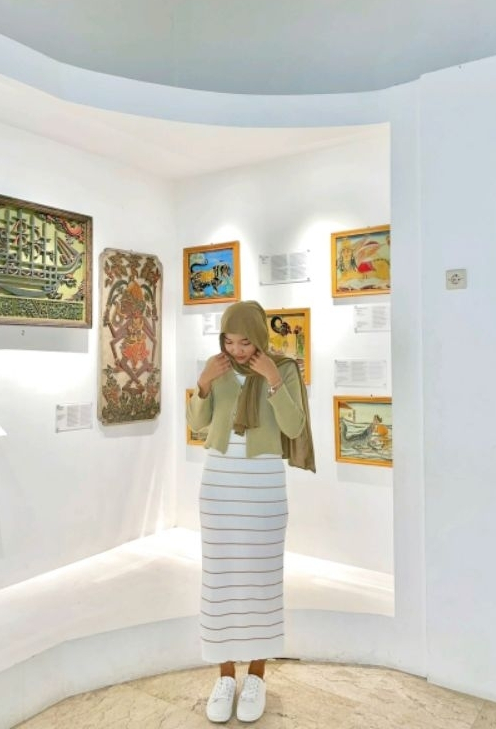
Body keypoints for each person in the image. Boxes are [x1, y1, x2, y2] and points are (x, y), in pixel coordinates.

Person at [186, 300, 315, 724]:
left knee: (261, 580)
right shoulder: (216, 367)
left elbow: (294, 427)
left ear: (259, 337)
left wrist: (273, 380)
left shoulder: (284, 368)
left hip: (263, 483)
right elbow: (198, 424)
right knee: (220, 580)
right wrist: (203, 384)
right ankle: (225, 676)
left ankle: (257, 675)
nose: (237, 350)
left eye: (245, 342)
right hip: (220, 482)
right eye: (229, 341)